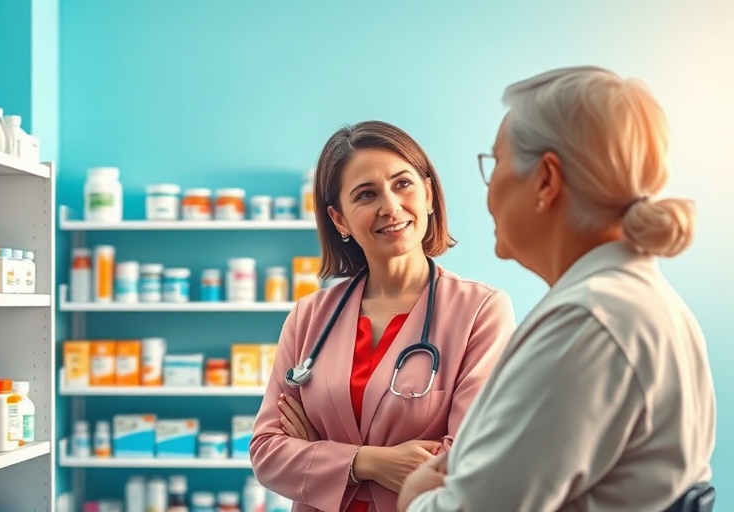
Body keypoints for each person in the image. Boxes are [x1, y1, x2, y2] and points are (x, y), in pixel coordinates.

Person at [398, 66, 716, 512]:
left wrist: (416, 495)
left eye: (497, 164)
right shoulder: (622, 301)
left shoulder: (590, 323)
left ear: (546, 180)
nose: (489, 194)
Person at [249, 120, 517, 511]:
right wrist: (369, 462)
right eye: (365, 194)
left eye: (403, 184)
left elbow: (472, 458)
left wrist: (317, 454)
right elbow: (268, 453)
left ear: (428, 192)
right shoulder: (309, 317)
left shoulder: (480, 311)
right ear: (339, 219)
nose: (390, 206)